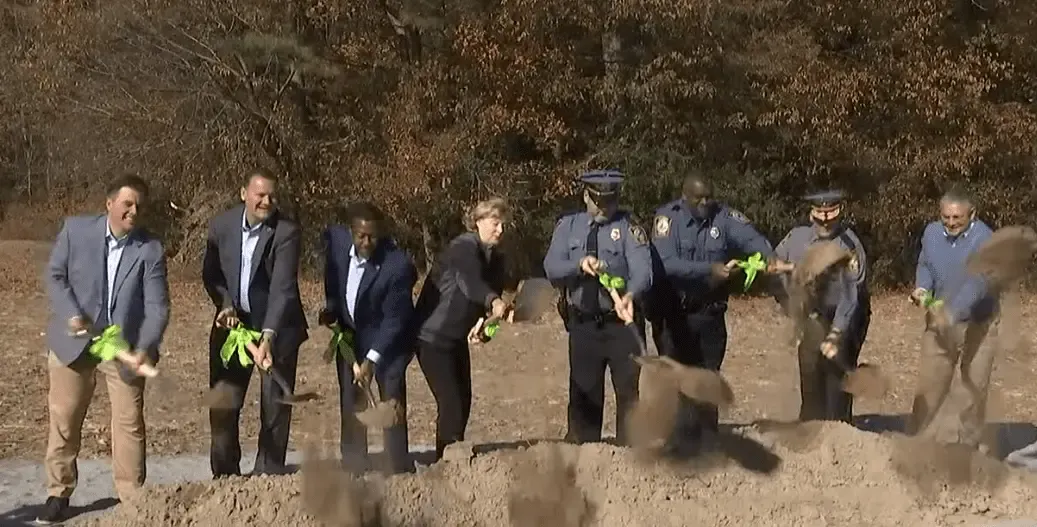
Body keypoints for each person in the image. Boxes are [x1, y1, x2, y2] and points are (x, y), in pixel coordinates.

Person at [38, 174, 170, 525]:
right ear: (109, 203)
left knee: (129, 422)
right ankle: (58, 493)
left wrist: (144, 347)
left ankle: (131, 499)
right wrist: (71, 314)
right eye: (127, 203)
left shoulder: (150, 249)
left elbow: (158, 307)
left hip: (122, 345)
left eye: (139, 205)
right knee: (64, 418)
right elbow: (54, 275)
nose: (133, 211)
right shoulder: (75, 231)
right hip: (75, 341)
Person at [650, 172, 784, 445]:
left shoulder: (724, 217)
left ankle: (706, 438)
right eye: (698, 199)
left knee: (709, 376)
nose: (705, 203)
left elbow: (751, 238)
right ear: (684, 197)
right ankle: (676, 438)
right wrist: (707, 269)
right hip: (675, 312)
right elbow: (666, 263)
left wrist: (768, 255)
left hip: (710, 313)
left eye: (709, 198)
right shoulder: (668, 219)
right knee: (676, 377)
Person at [202, 168, 308, 478]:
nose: (266, 201)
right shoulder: (221, 226)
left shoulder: (286, 232)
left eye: (272, 195)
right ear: (244, 193)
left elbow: (282, 287)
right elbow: (211, 274)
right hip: (233, 326)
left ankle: (268, 475)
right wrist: (224, 304)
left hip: (278, 328)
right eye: (260, 194)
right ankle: (225, 477)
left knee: (274, 407)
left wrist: (268, 338)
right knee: (224, 403)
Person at [544, 170, 652, 445]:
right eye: (600, 202)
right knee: (584, 395)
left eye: (612, 201)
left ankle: (629, 462)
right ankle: (583, 457)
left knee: (628, 394)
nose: (606, 208)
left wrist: (630, 294)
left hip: (621, 327)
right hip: (583, 326)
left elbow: (644, 272)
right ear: (586, 197)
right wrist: (578, 265)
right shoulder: (568, 226)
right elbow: (552, 268)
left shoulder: (629, 227)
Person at [320, 201, 417, 474]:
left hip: (390, 341)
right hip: (351, 335)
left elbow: (394, 319)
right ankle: (354, 464)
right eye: (361, 235)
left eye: (372, 236)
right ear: (351, 232)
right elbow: (332, 275)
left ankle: (397, 466)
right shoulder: (338, 243)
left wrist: (372, 360)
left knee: (390, 401)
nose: (366, 241)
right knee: (352, 399)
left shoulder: (396, 266)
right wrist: (331, 308)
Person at [413, 197, 513, 460]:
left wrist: (484, 328)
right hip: (431, 338)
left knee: (464, 402)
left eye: (503, 224)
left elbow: (485, 307)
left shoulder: (497, 259)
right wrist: (494, 301)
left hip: (456, 340)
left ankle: (452, 459)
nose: (500, 230)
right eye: (495, 223)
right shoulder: (463, 248)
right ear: (478, 222)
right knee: (451, 404)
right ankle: (445, 465)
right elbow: (471, 283)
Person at [772, 190, 871, 423]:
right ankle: (810, 424)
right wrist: (792, 305)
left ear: (839, 213)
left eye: (831, 213)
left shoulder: (850, 245)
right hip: (812, 313)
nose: (825, 219)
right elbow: (773, 267)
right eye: (820, 213)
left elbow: (851, 296)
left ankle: (839, 427)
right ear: (811, 214)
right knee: (810, 367)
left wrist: (837, 333)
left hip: (846, 313)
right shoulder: (796, 238)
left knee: (836, 374)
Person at [907, 188, 996, 448]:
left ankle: (967, 450)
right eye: (946, 217)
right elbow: (925, 264)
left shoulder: (986, 239)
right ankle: (918, 443)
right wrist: (923, 288)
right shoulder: (932, 233)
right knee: (930, 384)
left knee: (972, 388)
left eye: (957, 217)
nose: (951, 223)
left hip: (980, 324)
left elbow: (977, 286)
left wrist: (950, 313)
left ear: (972, 214)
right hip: (940, 319)